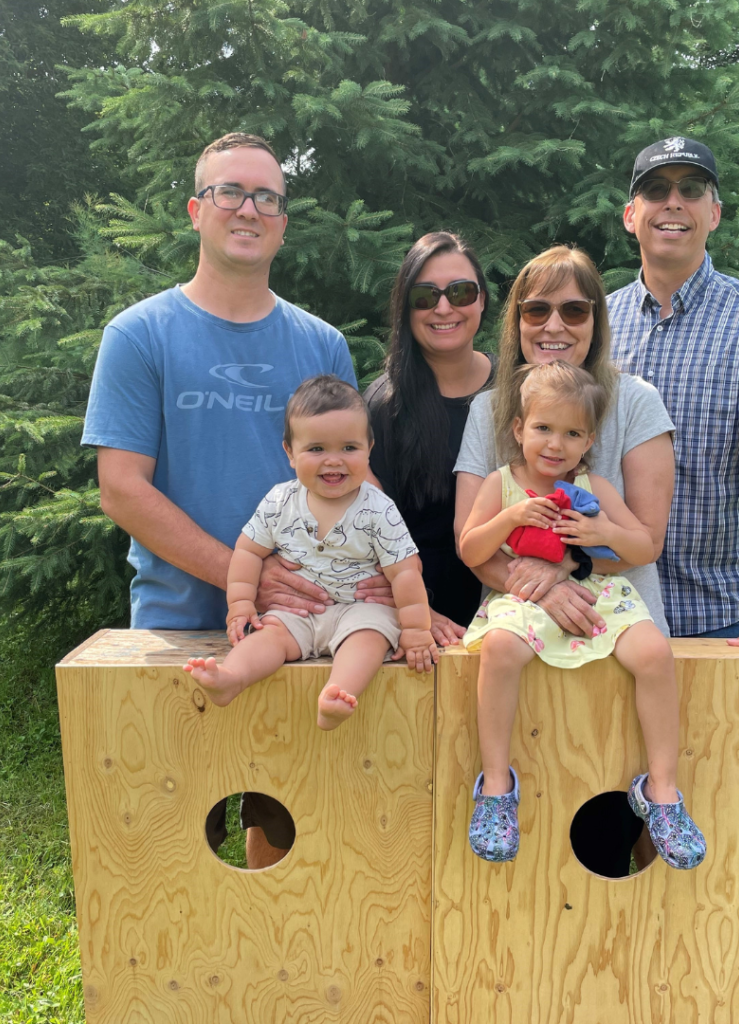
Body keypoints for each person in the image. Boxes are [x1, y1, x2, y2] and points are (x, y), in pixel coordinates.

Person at [82, 131, 355, 868]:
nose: (249, 208)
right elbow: (122, 490)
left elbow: (351, 489)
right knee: (174, 836)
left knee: (285, 819)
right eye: (231, 191)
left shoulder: (322, 344)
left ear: (283, 224)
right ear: (197, 210)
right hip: (178, 626)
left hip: (298, 625)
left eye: (268, 196)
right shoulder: (139, 335)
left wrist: (404, 589)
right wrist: (250, 577)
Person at [454, 244, 677, 876]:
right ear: (517, 322)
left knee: (599, 825)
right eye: (538, 309)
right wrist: (542, 589)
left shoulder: (635, 401)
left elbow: (643, 538)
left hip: (612, 622)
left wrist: (568, 571)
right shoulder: (490, 409)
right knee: (516, 863)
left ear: (597, 320)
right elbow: (471, 542)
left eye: (574, 310)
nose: (554, 325)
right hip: (521, 623)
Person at [609, 136, 739, 683]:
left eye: (692, 188)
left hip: (719, 611)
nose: (673, 201)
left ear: (715, 212)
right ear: (632, 216)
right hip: (607, 603)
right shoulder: (593, 324)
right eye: (656, 190)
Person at [184, 376, 438, 725]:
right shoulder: (279, 501)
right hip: (295, 616)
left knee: (371, 637)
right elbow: (247, 553)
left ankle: (336, 694)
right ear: (289, 452)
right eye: (317, 449)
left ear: (370, 448)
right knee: (268, 635)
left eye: (349, 448)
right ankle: (232, 678)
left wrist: (415, 629)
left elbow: (406, 571)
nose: (333, 461)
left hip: (358, 609)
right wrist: (241, 604)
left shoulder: (378, 508)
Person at [363, 232, 494, 644]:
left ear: (482, 300)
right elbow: (365, 532)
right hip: (418, 629)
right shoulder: (383, 407)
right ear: (406, 308)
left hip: (519, 617)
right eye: (424, 296)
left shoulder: (520, 393)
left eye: (460, 292)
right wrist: (417, 611)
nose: (443, 307)